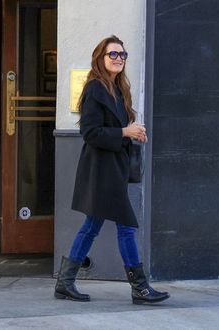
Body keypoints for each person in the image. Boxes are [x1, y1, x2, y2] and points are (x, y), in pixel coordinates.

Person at [54, 35, 170, 304]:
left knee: (92, 225)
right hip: (102, 171)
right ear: (101, 58)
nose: (119, 59)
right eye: (113, 54)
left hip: (111, 169)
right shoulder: (95, 88)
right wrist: (124, 131)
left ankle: (65, 281)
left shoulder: (117, 89)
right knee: (126, 226)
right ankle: (139, 287)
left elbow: (116, 129)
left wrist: (133, 134)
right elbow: (90, 132)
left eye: (122, 55)